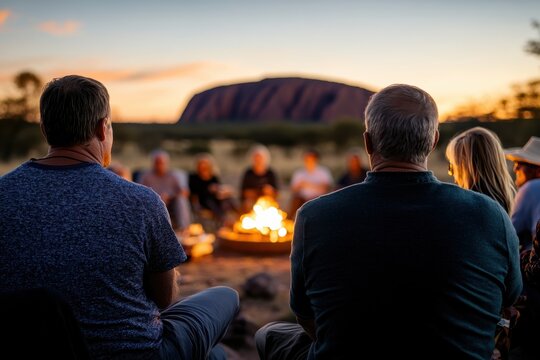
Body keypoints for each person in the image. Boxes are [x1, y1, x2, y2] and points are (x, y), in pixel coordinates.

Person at [255, 84, 522, 360]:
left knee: (268, 333)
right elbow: (509, 296)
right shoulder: (490, 214)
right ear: (433, 142)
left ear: (368, 142)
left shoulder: (313, 216)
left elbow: (305, 314)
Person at [0, 75, 239, 360]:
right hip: (137, 353)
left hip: (30, 349)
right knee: (226, 299)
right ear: (104, 129)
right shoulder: (141, 200)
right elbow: (164, 299)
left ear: (44, 130)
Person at [445, 126, 515, 213]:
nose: (452, 174)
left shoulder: (469, 207)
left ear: (469, 169)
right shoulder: (500, 204)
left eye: (452, 167)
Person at [140, 149, 191, 231]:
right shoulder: (146, 176)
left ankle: (184, 229)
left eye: (162, 163)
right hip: (152, 202)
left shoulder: (173, 175)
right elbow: (139, 192)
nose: (160, 165)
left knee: (181, 200)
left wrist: (171, 196)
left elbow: (184, 192)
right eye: (157, 162)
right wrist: (157, 198)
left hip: (171, 201)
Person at [505, 136, 540, 252]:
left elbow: (509, 235)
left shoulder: (531, 187)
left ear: (538, 171)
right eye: (515, 164)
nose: (515, 169)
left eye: (521, 164)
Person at [189, 152, 238, 224]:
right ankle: (223, 220)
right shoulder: (193, 177)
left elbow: (219, 188)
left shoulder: (213, 177)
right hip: (203, 200)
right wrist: (208, 189)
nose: (203, 166)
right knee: (210, 201)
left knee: (228, 198)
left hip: (217, 198)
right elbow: (193, 192)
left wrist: (223, 191)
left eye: (205, 164)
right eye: (201, 164)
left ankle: (239, 215)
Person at [288, 148, 333, 219]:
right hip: (302, 199)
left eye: (311, 158)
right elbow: (293, 190)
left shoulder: (323, 172)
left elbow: (326, 188)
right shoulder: (299, 173)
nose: (309, 161)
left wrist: (307, 185)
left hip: (318, 198)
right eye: (307, 159)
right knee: (296, 200)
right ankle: (288, 221)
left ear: (316, 159)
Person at [239, 144, 280, 213]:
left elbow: (277, 192)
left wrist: (270, 190)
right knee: (247, 204)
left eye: (260, 158)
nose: (258, 160)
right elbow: (244, 192)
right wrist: (258, 192)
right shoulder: (248, 173)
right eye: (256, 157)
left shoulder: (270, 173)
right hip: (251, 201)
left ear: (265, 158)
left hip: (267, 200)